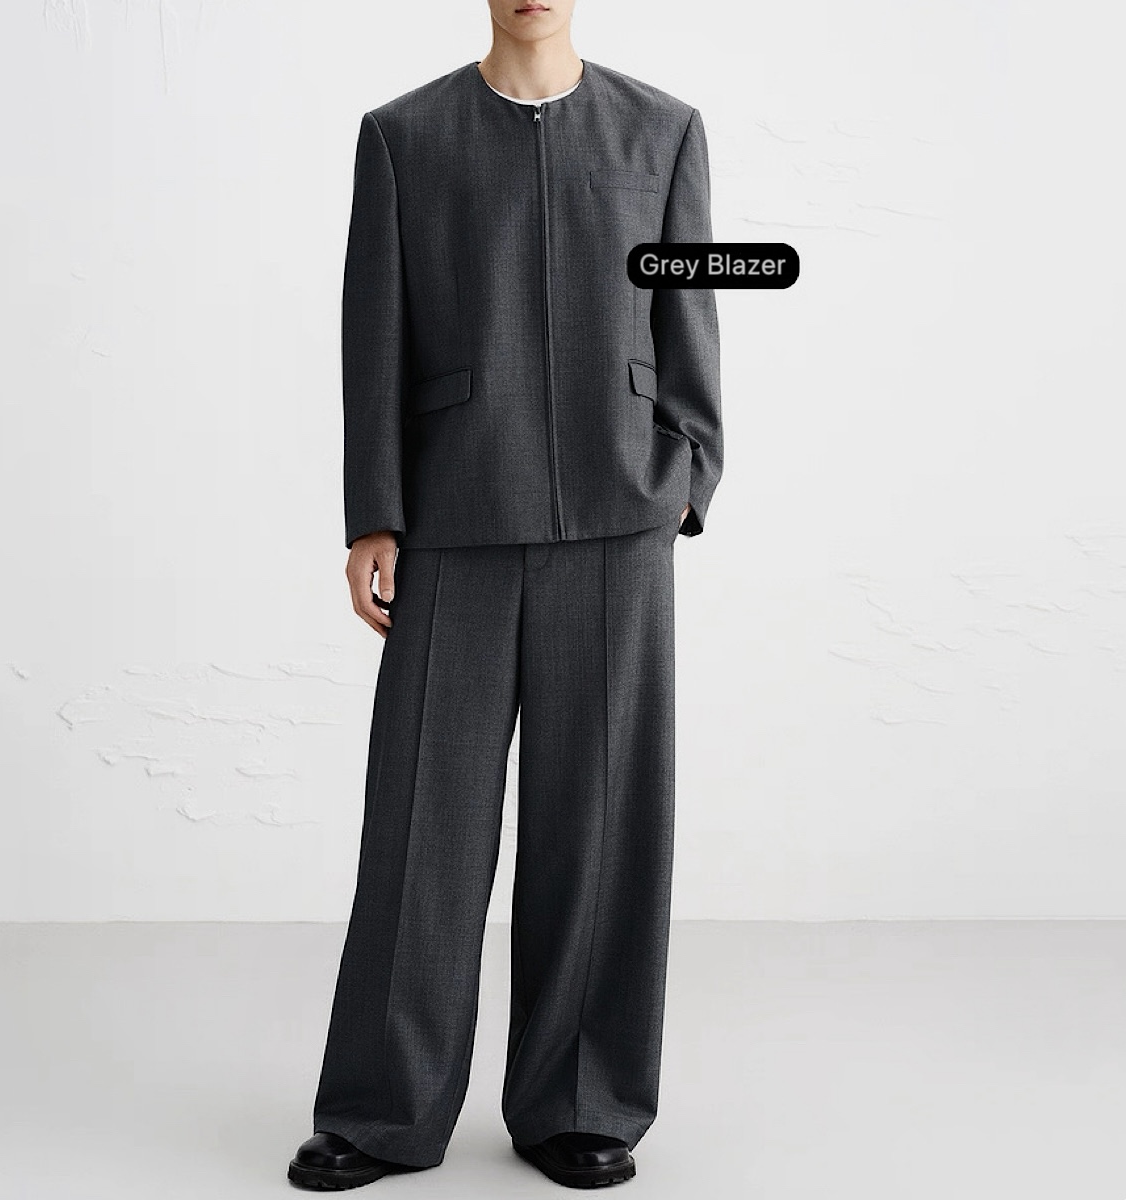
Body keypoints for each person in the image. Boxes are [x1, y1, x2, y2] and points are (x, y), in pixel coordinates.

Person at [289, 0, 722, 1189]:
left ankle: (581, 1102)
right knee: (422, 825)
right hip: (455, 515)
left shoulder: (664, 132)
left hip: (620, 522)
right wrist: (373, 512)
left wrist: (685, 476)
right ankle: (381, 1110)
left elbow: (689, 316)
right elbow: (373, 328)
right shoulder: (403, 136)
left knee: (603, 825)